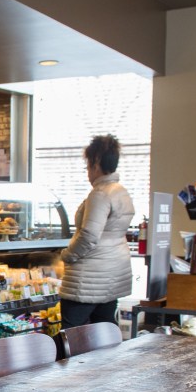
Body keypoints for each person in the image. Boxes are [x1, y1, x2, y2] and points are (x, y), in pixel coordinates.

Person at [58, 134, 135, 328]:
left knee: (71, 334)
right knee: (105, 331)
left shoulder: (100, 194)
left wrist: (67, 255)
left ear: (96, 163)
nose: (88, 172)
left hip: (88, 280)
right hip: (111, 275)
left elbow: (89, 236)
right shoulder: (121, 191)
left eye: (88, 166)